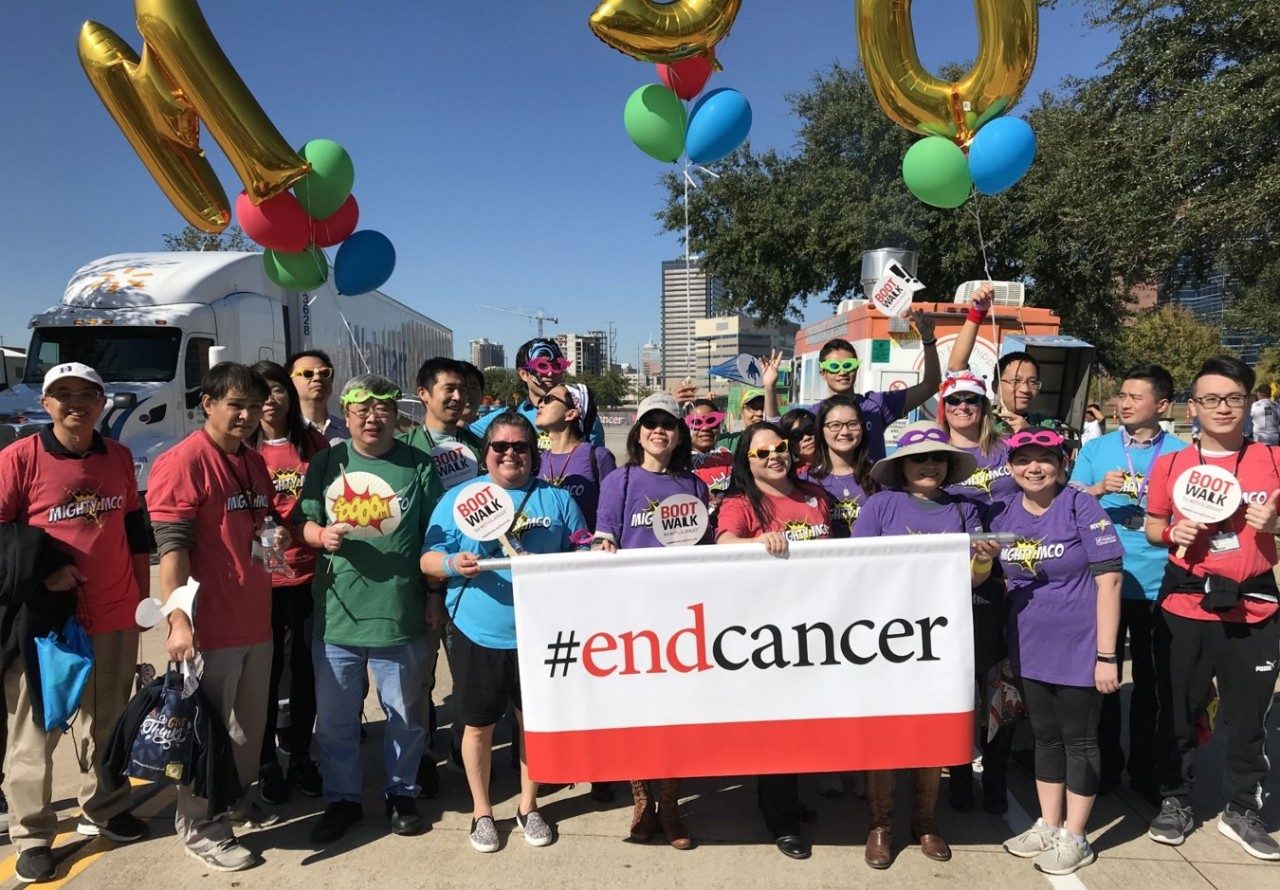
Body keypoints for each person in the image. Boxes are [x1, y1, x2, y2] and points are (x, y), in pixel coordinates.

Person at [0, 363, 151, 883]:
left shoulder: (120, 457)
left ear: (102, 401)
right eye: (62, 395)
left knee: (108, 721)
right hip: (47, 623)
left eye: (86, 394)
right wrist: (44, 576)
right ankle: (33, 834)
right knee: (36, 730)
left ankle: (105, 807)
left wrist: (141, 600)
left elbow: (134, 530)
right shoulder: (19, 459)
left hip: (114, 613)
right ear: (46, 405)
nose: (75, 404)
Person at [422, 412, 589, 854]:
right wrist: (451, 564)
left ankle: (529, 805)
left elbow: (582, 549)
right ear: (486, 454)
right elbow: (427, 559)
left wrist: (597, 548)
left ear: (534, 453)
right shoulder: (459, 500)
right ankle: (482, 812)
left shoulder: (556, 500)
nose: (510, 454)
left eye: (520, 446)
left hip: (541, 634)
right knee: (477, 727)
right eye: (500, 447)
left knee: (531, 724)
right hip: (477, 631)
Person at [147, 363, 283, 872]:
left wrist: (274, 540)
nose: (247, 416)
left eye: (254, 405)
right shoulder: (183, 462)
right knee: (205, 735)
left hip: (255, 619)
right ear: (208, 404)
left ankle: (227, 801)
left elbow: (257, 523)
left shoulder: (252, 461)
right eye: (236, 406)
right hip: (210, 627)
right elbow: (172, 550)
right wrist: (179, 620)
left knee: (248, 731)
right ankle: (201, 827)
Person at [1144, 356, 1280, 861]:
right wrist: (1169, 533)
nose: (1222, 408)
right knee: (1178, 712)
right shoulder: (1172, 464)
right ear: (1192, 407)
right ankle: (1175, 800)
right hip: (1186, 604)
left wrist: (1276, 524)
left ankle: (1243, 809)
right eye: (1210, 399)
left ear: (1248, 402)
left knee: (1248, 719)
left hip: (1255, 608)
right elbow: (1153, 525)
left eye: (1233, 398)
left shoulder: (1273, 460)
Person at [299, 374, 444, 843]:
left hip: (399, 615)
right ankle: (343, 798)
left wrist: (433, 597)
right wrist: (321, 536)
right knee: (337, 720)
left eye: (382, 408)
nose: (371, 417)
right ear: (347, 412)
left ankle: (401, 792)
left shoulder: (419, 466)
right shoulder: (327, 462)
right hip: (338, 614)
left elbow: (435, 538)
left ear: (395, 416)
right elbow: (305, 522)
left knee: (404, 715)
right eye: (361, 409)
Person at [852, 421, 994, 870]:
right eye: (919, 458)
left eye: (937, 458)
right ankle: (880, 825)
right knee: (887, 733)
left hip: (943, 634)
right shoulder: (879, 506)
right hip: (886, 636)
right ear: (901, 466)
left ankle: (925, 822)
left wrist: (983, 560)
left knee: (933, 731)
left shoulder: (963, 509)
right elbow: (856, 568)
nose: (929, 465)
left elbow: (974, 578)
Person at [991, 429, 1124, 876]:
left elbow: (1110, 581)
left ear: (1062, 462)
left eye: (1044, 459)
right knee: (1045, 738)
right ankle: (1048, 824)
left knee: (1079, 740)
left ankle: (1076, 836)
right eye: (1023, 459)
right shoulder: (1004, 510)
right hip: (1028, 643)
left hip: (1081, 645)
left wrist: (1107, 656)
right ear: (1010, 467)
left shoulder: (1079, 503)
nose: (1034, 468)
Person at [594, 392, 711, 851]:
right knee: (638, 715)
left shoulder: (695, 486)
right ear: (638, 432)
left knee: (676, 716)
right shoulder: (619, 481)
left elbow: (705, 550)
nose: (658, 430)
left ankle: (672, 804)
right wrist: (601, 549)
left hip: (682, 617)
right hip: (633, 617)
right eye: (650, 423)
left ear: (680, 433)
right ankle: (642, 802)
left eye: (668, 423)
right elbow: (605, 533)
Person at [716, 421, 835, 861]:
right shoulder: (740, 502)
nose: (773, 457)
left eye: (779, 448)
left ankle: (781, 798)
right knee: (779, 724)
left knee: (805, 722)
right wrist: (755, 540)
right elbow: (724, 541)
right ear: (747, 462)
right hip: (768, 632)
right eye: (761, 453)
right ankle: (780, 816)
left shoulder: (816, 497)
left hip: (818, 626)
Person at [1069, 364, 1186, 801]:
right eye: (1122, 394)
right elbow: (1068, 502)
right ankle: (1105, 766)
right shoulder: (1097, 448)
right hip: (1105, 584)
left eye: (1136, 397)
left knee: (1154, 685)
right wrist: (1098, 489)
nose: (1124, 403)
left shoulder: (1180, 453)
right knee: (1103, 679)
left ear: (1162, 405)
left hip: (1160, 584)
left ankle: (1145, 770)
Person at [400, 356, 485, 797]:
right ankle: (421, 757)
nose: (458, 397)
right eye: (448, 389)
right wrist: (432, 587)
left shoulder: (481, 444)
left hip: (473, 581)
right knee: (420, 678)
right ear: (424, 394)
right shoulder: (404, 448)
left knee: (470, 673)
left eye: (463, 390)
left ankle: (465, 749)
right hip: (421, 581)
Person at [935, 370, 1018, 815]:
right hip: (957, 583)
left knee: (1001, 685)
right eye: (954, 400)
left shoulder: (1008, 451)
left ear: (985, 406)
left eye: (972, 400)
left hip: (1012, 578)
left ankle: (999, 777)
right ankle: (962, 776)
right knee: (961, 683)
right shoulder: (935, 455)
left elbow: (1047, 486)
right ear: (942, 407)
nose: (963, 407)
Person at [249, 361, 329, 805]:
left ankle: (300, 757)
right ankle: (264, 764)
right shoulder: (242, 448)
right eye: (260, 390)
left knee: (304, 672)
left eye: (277, 388)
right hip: (261, 581)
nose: (270, 398)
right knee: (265, 675)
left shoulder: (312, 444)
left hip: (309, 575)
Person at [762, 311, 942, 461]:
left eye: (848, 365)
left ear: (856, 367)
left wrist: (928, 339)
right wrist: (769, 388)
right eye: (834, 367)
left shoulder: (878, 404)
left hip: (873, 494)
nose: (842, 372)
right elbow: (775, 432)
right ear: (822, 373)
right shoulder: (814, 414)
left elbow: (931, 385)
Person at [469, 338, 605, 447]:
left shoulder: (584, 416)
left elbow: (598, 466)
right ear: (523, 374)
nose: (550, 373)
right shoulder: (503, 418)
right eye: (542, 366)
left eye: (557, 366)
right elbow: (460, 437)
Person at [535, 382, 616, 531]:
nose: (540, 405)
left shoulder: (598, 457)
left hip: (586, 552)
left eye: (549, 399)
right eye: (540, 400)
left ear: (571, 413)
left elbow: (614, 512)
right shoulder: (537, 461)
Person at [803, 395, 878, 538]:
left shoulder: (878, 475)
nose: (845, 432)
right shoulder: (805, 481)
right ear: (821, 430)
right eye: (835, 425)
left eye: (853, 424)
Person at [287, 349, 349, 443]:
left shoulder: (349, 430)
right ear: (289, 383)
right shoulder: (284, 432)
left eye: (325, 373)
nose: (317, 378)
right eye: (308, 373)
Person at [686, 398, 734, 503]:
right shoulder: (677, 461)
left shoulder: (729, 456)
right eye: (696, 422)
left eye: (711, 420)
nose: (705, 428)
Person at [779, 408, 817, 474]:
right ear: (789, 444)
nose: (806, 437)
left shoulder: (839, 463)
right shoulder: (788, 476)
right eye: (796, 435)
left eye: (810, 429)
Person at [458, 360, 486, 426]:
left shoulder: (491, 430)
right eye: (461, 389)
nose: (467, 395)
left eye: (473, 388)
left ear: (481, 395)